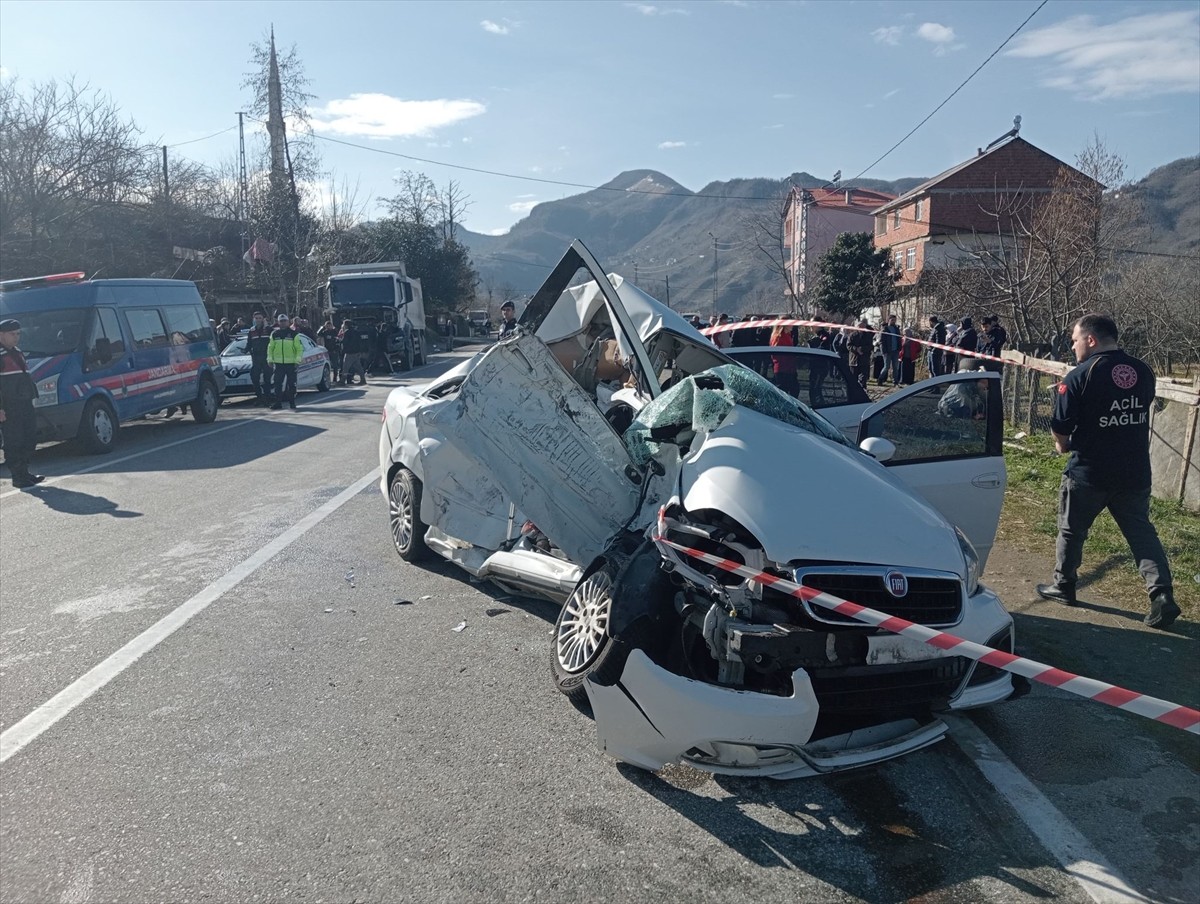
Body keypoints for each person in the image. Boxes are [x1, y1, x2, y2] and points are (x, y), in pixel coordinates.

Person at [1036, 314, 1179, 629]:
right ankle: (1162, 595)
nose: (1072, 346)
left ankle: (1064, 585)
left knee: (1072, 530)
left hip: (1090, 473)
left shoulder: (1079, 376)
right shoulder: (1143, 371)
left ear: (1090, 339)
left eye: (1074, 340)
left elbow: (1060, 426)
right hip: (1134, 472)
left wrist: (1062, 446)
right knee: (1141, 534)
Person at [0, 319, 45, 488]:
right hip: (9, 406)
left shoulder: (17, 352)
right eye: (12, 334)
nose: (16, 337)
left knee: (29, 437)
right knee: (14, 440)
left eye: (18, 334)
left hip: (24, 402)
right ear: (1, 335)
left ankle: (25, 472)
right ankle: (18, 477)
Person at [267, 313, 302, 410]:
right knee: (277, 384)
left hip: (291, 364)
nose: (283, 323)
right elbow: (270, 348)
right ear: (278, 322)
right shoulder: (274, 334)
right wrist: (270, 360)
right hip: (279, 364)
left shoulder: (294, 334)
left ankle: (292, 403)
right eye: (281, 321)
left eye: (284, 321)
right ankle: (278, 403)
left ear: (288, 322)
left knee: (292, 384)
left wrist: (297, 361)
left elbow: (299, 349)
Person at [245, 311, 273, 405]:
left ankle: (267, 398)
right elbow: (249, 344)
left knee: (267, 379)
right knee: (254, 378)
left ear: (263, 319)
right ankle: (259, 397)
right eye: (256, 318)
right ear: (253, 319)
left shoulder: (268, 329)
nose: (258, 320)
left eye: (260, 318)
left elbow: (274, 340)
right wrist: (245, 350)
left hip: (266, 357)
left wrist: (267, 327)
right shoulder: (251, 330)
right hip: (256, 358)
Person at [768, 324, 798, 397]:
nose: (792, 326)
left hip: (790, 368)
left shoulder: (788, 335)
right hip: (782, 368)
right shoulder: (778, 337)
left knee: (795, 389)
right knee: (784, 391)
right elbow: (776, 353)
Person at [339, 319, 370, 385]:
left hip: (349, 352)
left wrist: (340, 341)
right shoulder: (356, 332)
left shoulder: (347, 332)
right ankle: (363, 379)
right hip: (356, 352)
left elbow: (345, 342)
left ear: (346, 325)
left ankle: (342, 381)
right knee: (358, 367)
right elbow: (360, 341)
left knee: (346, 367)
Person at [847, 320, 873, 390]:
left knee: (863, 377)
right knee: (853, 378)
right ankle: (853, 390)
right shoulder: (852, 335)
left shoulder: (868, 336)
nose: (861, 328)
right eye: (860, 327)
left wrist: (862, 349)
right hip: (854, 360)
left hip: (864, 360)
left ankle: (863, 389)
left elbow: (870, 346)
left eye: (863, 327)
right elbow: (848, 346)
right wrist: (856, 349)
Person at [317, 319, 342, 383]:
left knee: (335, 365)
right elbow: (318, 334)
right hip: (327, 350)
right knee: (327, 365)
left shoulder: (335, 331)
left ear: (331, 326)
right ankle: (328, 378)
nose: (328, 327)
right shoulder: (325, 332)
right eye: (327, 326)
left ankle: (335, 378)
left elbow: (338, 339)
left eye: (329, 326)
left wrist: (336, 349)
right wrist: (322, 327)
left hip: (334, 350)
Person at [880, 314, 902, 386]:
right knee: (886, 366)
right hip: (887, 351)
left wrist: (899, 348)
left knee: (895, 367)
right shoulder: (885, 329)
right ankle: (880, 379)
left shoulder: (896, 329)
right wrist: (884, 351)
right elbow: (881, 342)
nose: (893, 322)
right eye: (892, 320)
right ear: (888, 320)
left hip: (895, 350)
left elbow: (899, 339)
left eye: (894, 320)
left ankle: (895, 381)